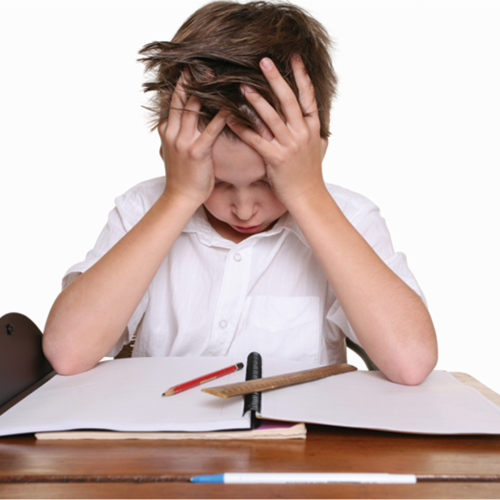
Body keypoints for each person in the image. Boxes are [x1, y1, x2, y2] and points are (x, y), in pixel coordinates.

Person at [42, 0, 437, 385]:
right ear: (174, 152)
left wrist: (306, 194)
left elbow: (411, 362)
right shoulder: (143, 208)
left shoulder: (349, 217)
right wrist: (180, 196)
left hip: (298, 449)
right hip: (162, 447)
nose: (245, 209)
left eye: (269, 182)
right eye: (216, 182)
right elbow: (68, 352)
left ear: (316, 151)